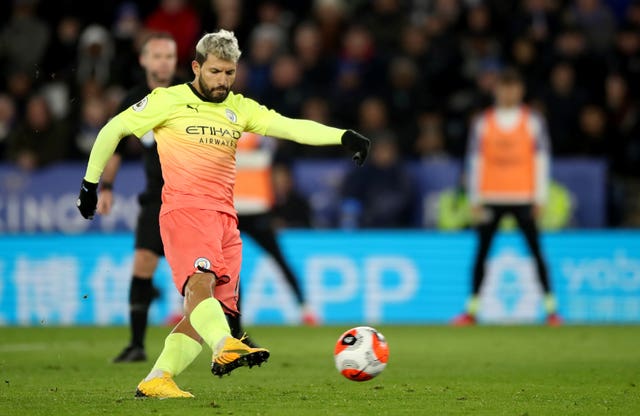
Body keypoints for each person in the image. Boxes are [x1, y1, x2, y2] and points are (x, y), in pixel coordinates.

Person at [76, 29, 370, 399]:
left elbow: (292, 127)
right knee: (200, 284)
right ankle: (225, 345)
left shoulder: (240, 108)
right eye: (215, 72)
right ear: (197, 67)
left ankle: (158, 378)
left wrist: (344, 136)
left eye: (229, 73)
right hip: (184, 210)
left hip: (225, 219)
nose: (223, 81)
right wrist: (90, 185)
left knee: (215, 308)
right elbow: (113, 129)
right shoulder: (167, 100)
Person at [453, 68, 561, 326]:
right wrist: (474, 198)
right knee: (482, 254)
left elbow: (542, 159)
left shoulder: (532, 120)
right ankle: (472, 310)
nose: (508, 92)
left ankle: (551, 310)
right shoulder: (483, 121)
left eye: (513, 87)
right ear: (496, 90)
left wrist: (540, 197)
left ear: (520, 90)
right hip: (491, 196)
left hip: (523, 196)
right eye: (504, 87)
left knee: (536, 252)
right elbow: (475, 161)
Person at [95, 32, 179, 363]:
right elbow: (114, 145)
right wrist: (107, 187)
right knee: (143, 263)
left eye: (169, 56)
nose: (163, 62)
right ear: (143, 60)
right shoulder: (133, 99)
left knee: (208, 271)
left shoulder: (189, 93)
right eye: (157, 55)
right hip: (156, 196)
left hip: (188, 195)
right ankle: (137, 344)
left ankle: (232, 333)